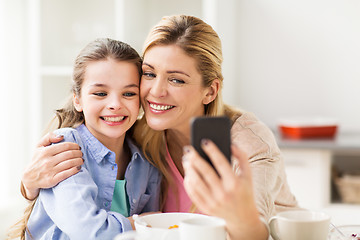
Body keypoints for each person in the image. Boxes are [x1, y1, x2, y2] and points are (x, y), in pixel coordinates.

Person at [18, 15, 299, 240]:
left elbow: (257, 233)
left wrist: (240, 217)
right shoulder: (141, 133)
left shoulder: (248, 143)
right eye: (150, 74)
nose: (156, 92)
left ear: (210, 91)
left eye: (176, 79)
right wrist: (29, 185)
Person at [8, 38, 161, 240]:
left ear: (140, 101)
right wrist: (139, 224)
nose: (115, 104)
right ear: (77, 99)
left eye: (128, 93)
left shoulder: (146, 162)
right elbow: (90, 232)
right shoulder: (66, 146)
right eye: (100, 93)